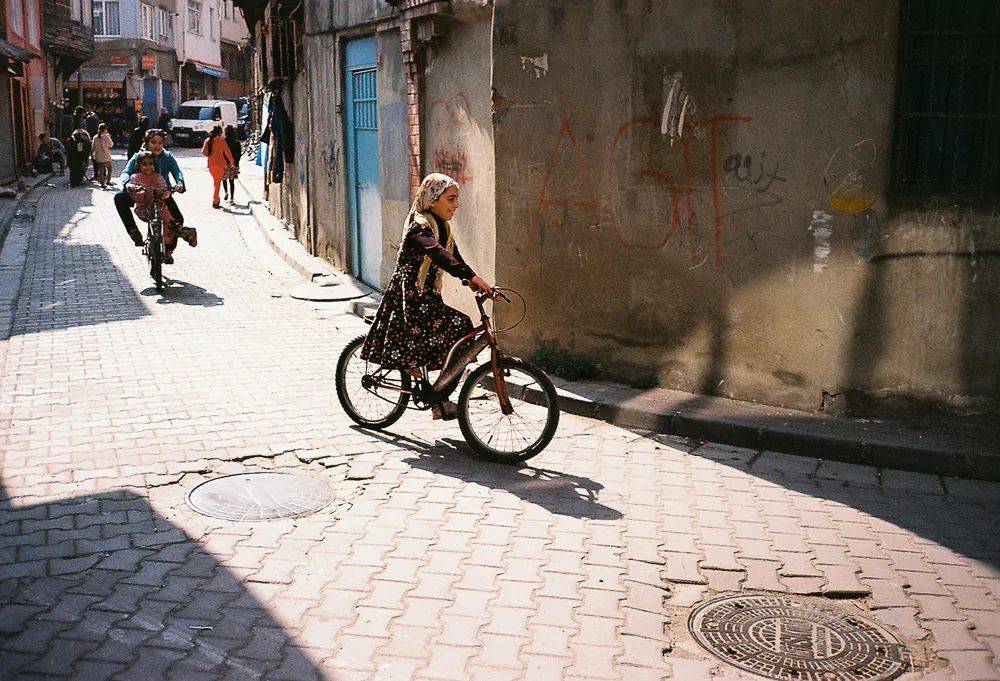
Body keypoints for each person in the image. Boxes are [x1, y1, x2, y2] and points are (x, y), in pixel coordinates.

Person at [360, 173, 494, 420]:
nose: (456, 205)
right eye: (451, 199)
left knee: (457, 332)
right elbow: (437, 253)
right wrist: (472, 278)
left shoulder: (442, 227)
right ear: (433, 200)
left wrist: (473, 280)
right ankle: (436, 396)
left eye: (457, 199)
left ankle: (438, 396)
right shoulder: (419, 227)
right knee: (459, 325)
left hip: (427, 297)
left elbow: (453, 257)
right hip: (410, 298)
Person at [116, 129, 187, 247]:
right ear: (147, 143)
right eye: (153, 142)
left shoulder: (167, 156)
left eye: (160, 143)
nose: (157, 146)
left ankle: (169, 249)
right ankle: (134, 232)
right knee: (119, 198)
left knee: (178, 219)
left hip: (161, 194)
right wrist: (127, 184)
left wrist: (179, 183)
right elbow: (126, 172)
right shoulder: (139, 156)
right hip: (140, 193)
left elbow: (177, 171)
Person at [125, 151, 197, 264]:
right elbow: (131, 188)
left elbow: (164, 187)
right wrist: (133, 188)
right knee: (158, 220)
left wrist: (165, 192)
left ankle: (180, 238)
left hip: (159, 207)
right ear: (139, 165)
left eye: (151, 164)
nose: (148, 167)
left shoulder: (158, 177)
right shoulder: (135, 177)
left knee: (170, 226)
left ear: (155, 165)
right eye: (144, 164)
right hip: (143, 209)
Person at [201, 125, 234, 209]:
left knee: (216, 183)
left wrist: (210, 155)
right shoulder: (221, 140)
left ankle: (216, 200)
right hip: (220, 164)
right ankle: (215, 201)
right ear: (219, 132)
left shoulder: (208, 140)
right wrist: (232, 162)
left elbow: (203, 152)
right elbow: (227, 152)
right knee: (217, 184)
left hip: (211, 165)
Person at [222, 124, 242, 203]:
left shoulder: (224, 141)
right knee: (232, 181)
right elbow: (239, 155)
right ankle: (232, 198)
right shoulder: (237, 142)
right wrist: (237, 164)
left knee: (224, 179)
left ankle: (226, 192)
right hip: (233, 164)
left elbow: (221, 153)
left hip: (225, 163)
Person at [91, 123, 114, 189]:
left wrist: (93, 155)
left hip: (98, 157)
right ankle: (108, 181)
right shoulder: (106, 136)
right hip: (106, 156)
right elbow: (111, 145)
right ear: (105, 129)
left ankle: (102, 184)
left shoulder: (95, 137)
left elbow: (93, 148)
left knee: (101, 171)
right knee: (109, 169)